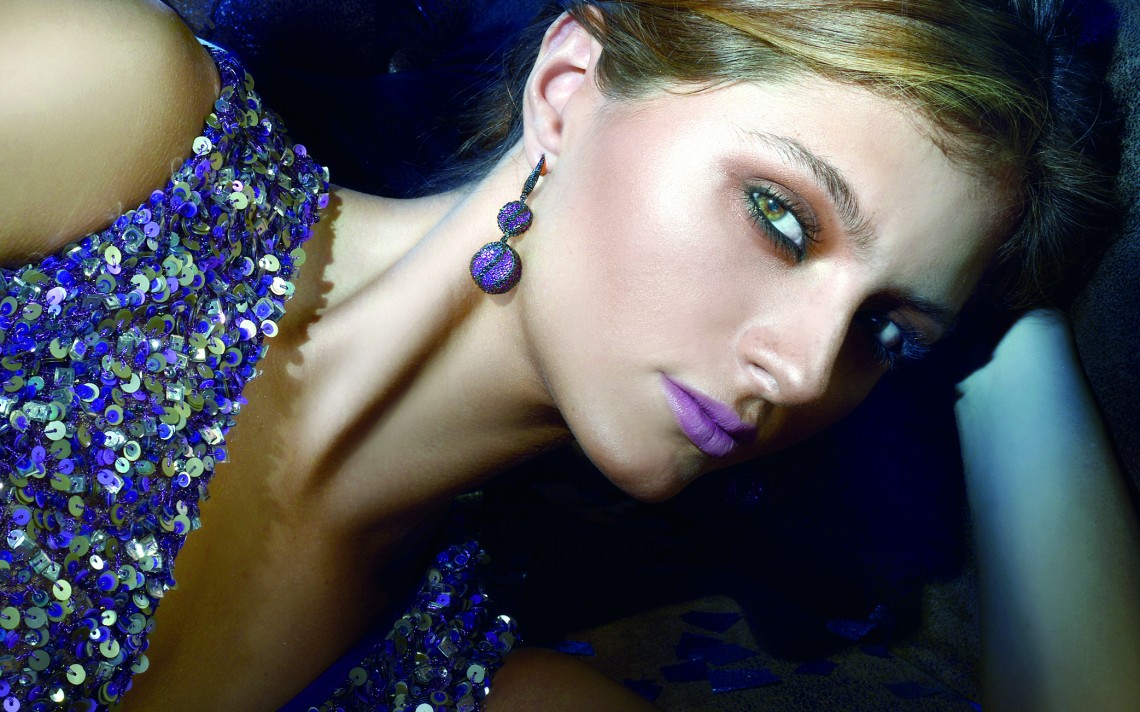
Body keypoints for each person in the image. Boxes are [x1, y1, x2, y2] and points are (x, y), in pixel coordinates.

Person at [0, 1, 1136, 711]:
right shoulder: (116, 123)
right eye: (780, 217)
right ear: (567, 90)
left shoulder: (470, 687)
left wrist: (1008, 336)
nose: (802, 372)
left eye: (884, 333)